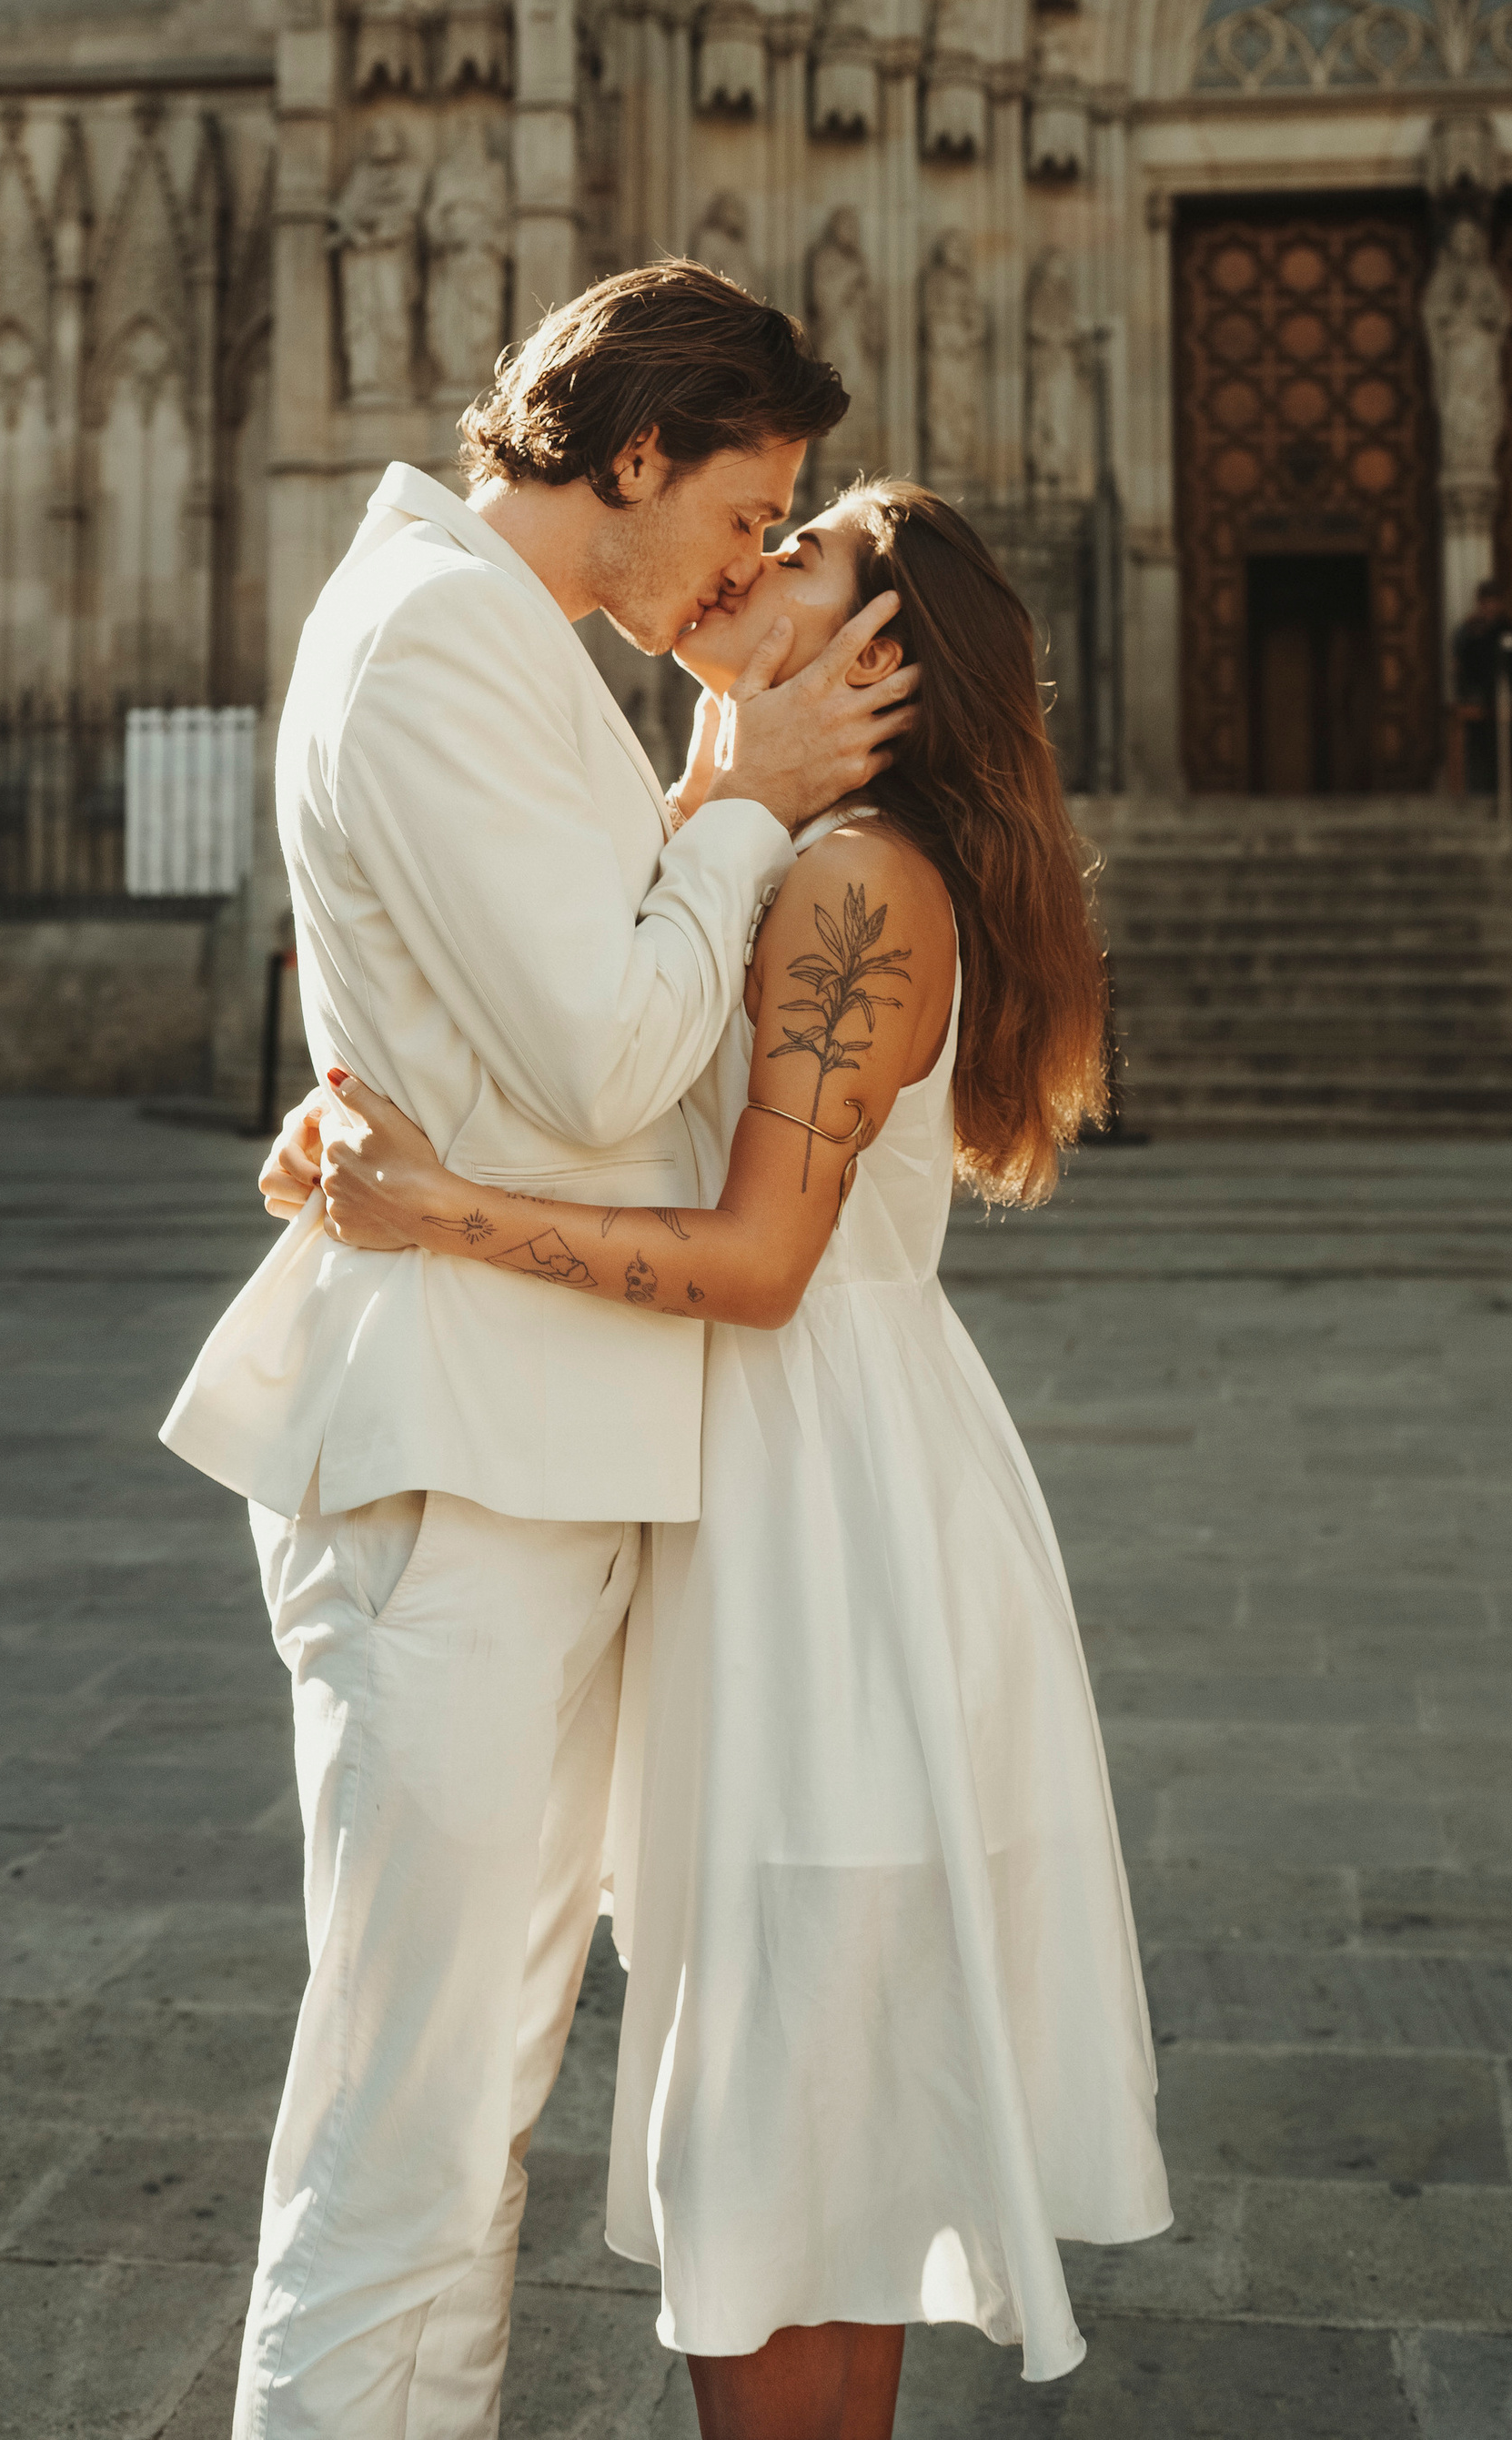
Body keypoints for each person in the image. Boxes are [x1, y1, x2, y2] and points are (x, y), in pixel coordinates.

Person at [290, 480, 1170, 2436]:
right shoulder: (794, 849)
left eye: (800, 555)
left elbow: (763, 1261)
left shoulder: (857, 883)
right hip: (798, 1504)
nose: (745, 564)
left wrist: (431, 1212)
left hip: (820, 1539)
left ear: (878, 659)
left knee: (773, 2159)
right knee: (806, 2155)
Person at [160, 263, 919, 2440]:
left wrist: (709, 793)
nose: (750, 563)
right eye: (744, 504)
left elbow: (528, 1018)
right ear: (634, 450)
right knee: (403, 2139)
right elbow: (601, 1053)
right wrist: (750, 790)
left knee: (449, 2111)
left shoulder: (482, 643)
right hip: (463, 1467)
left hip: (524, 1448)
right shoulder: (428, 644)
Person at [1451, 575, 1512, 797]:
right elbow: (1459, 662)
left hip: (1504, 698)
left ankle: (1507, 795)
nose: (1490, 607)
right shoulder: (1468, 629)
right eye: (1486, 602)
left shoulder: (1510, 628)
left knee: (1504, 753)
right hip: (1476, 698)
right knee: (1477, 753)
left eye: (1494, 601)